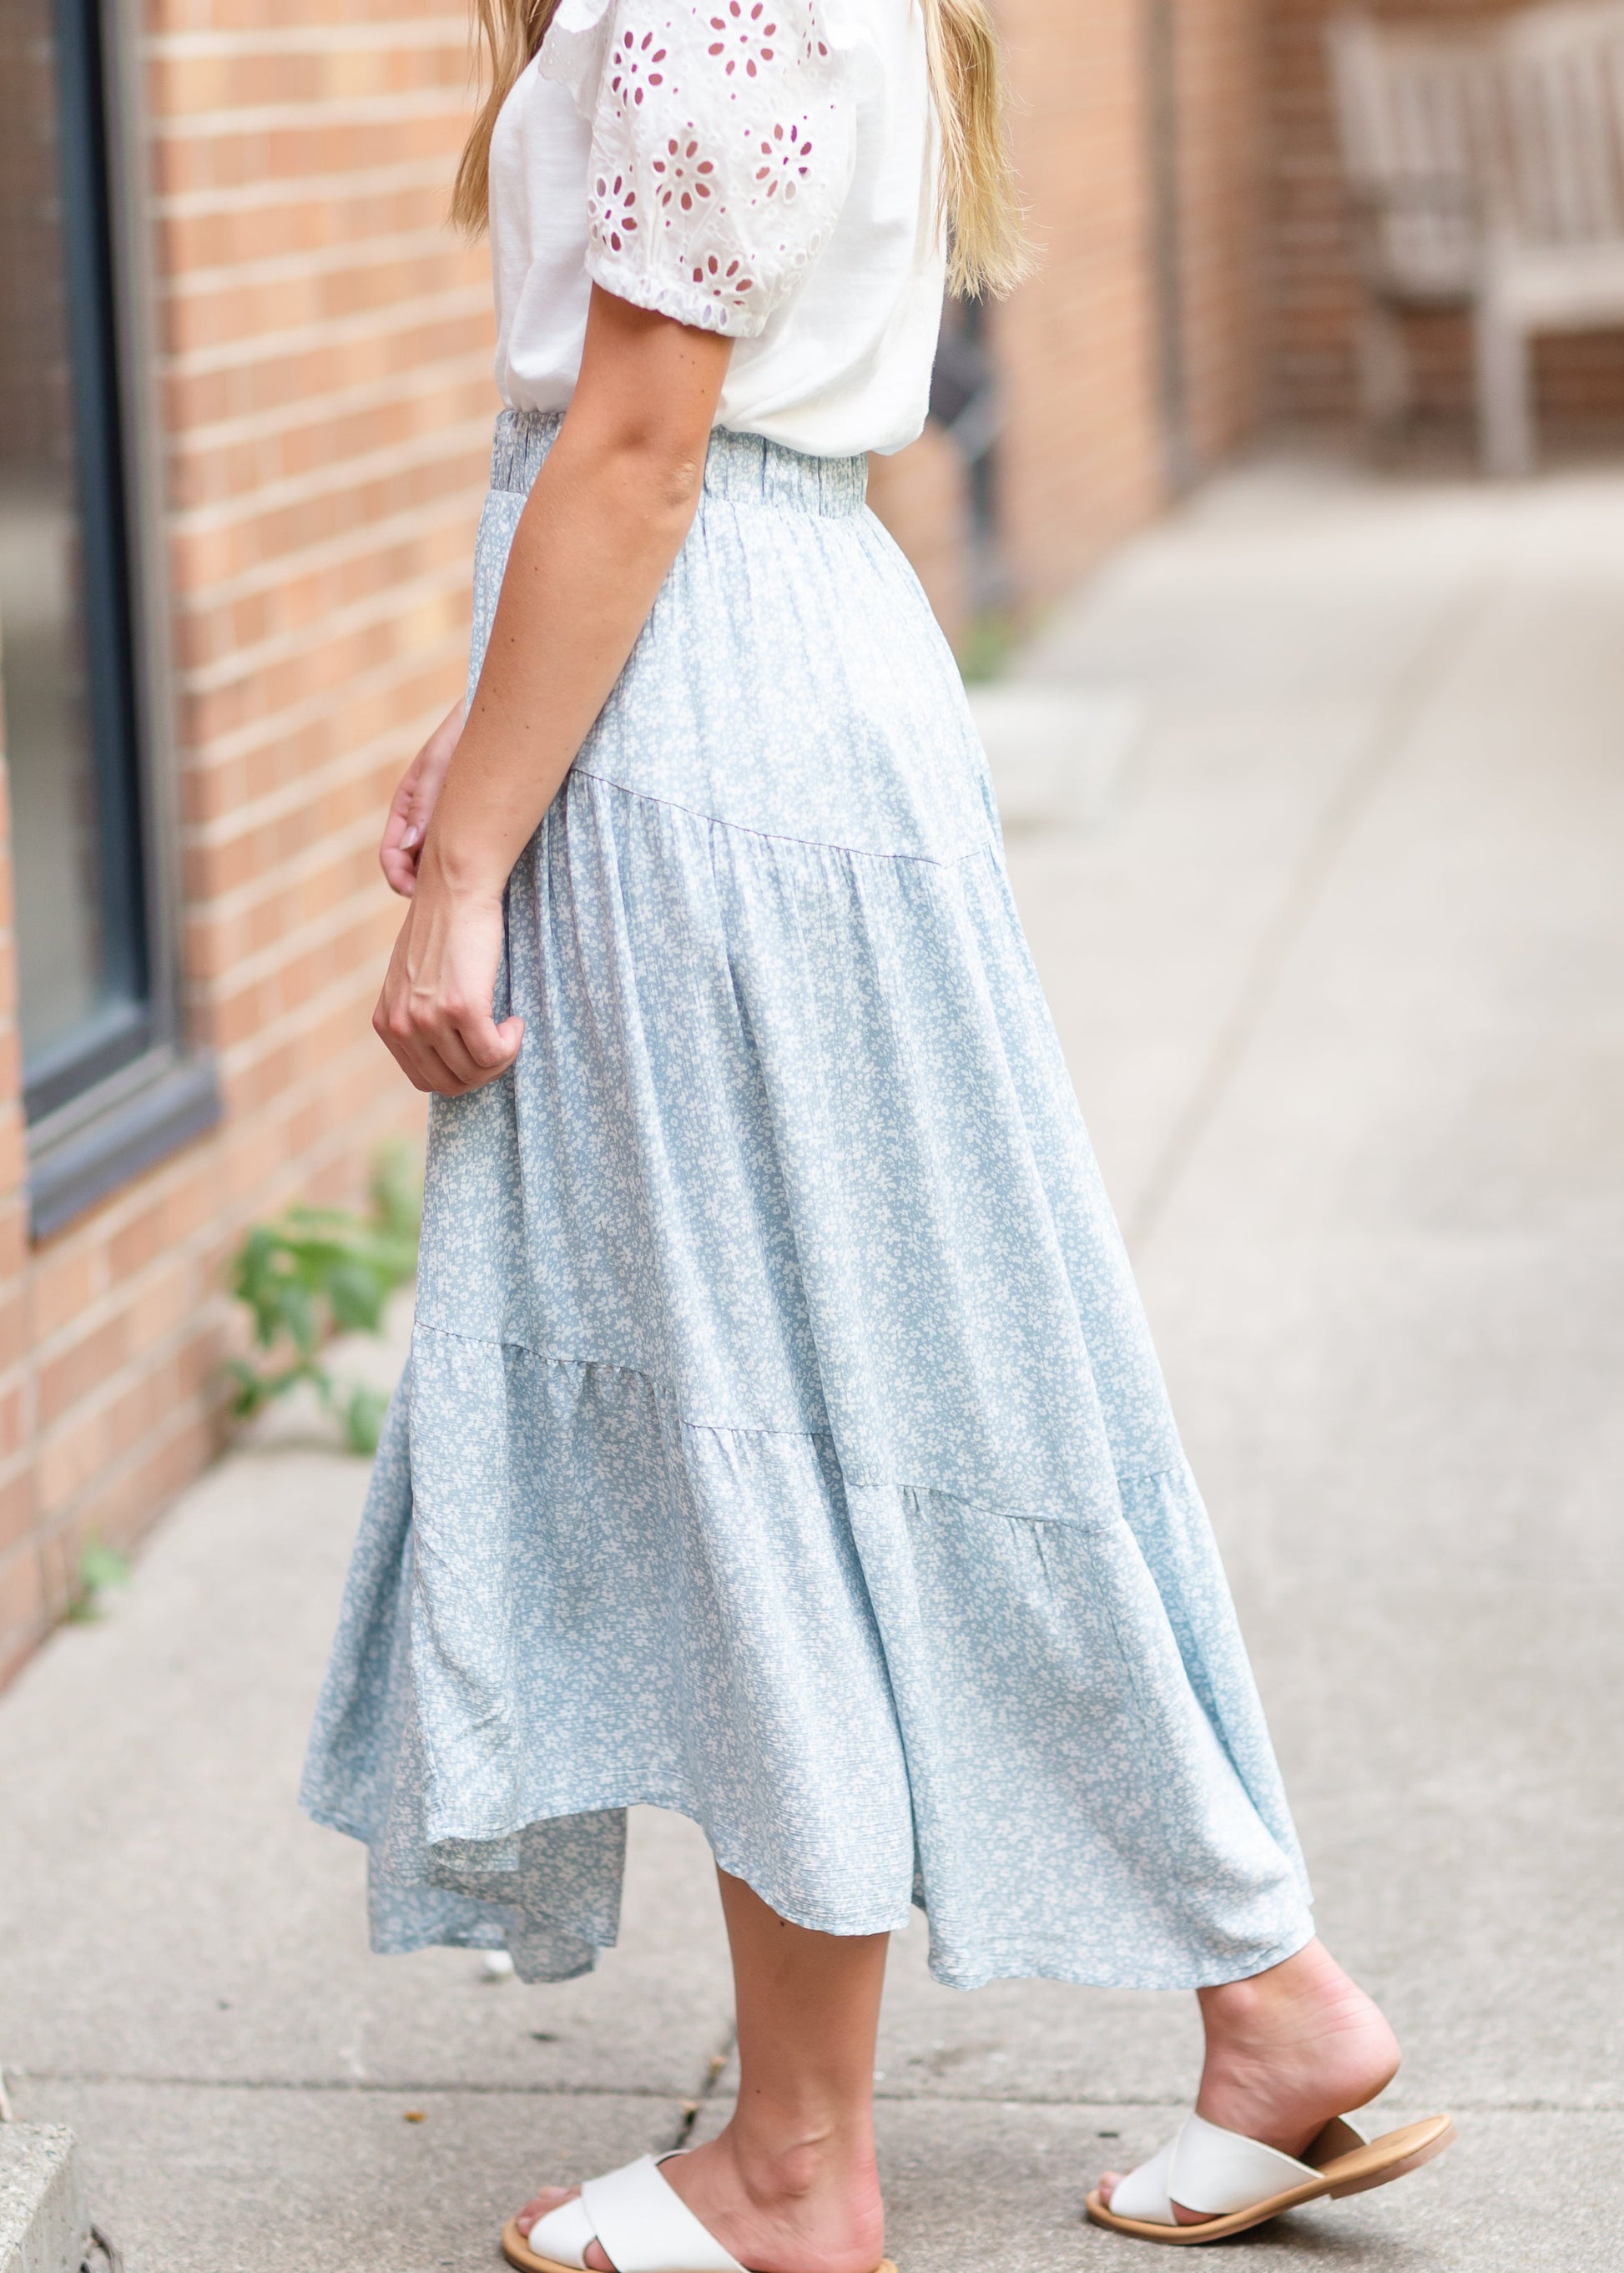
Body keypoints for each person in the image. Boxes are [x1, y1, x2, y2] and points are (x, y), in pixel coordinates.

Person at [300, 0, 1454, 2260]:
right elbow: (636, 440)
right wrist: (482, 729)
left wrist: (465, 877)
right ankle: (1271, 1998)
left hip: (714, 716)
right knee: (929, 1377)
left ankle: (800, 2159)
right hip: (759, 653)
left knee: (765, 1402)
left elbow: (641, 439)